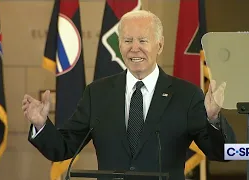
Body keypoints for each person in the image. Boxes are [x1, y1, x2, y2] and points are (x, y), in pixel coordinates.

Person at [22, 10, 236, 180]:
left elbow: (221, 153)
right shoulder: (97, 93)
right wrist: (41, 125)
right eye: (127, 41)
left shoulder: (185, 95)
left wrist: (213, 118)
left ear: (159, 45)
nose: (135, 49)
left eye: (143, 41)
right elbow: (63, 148)